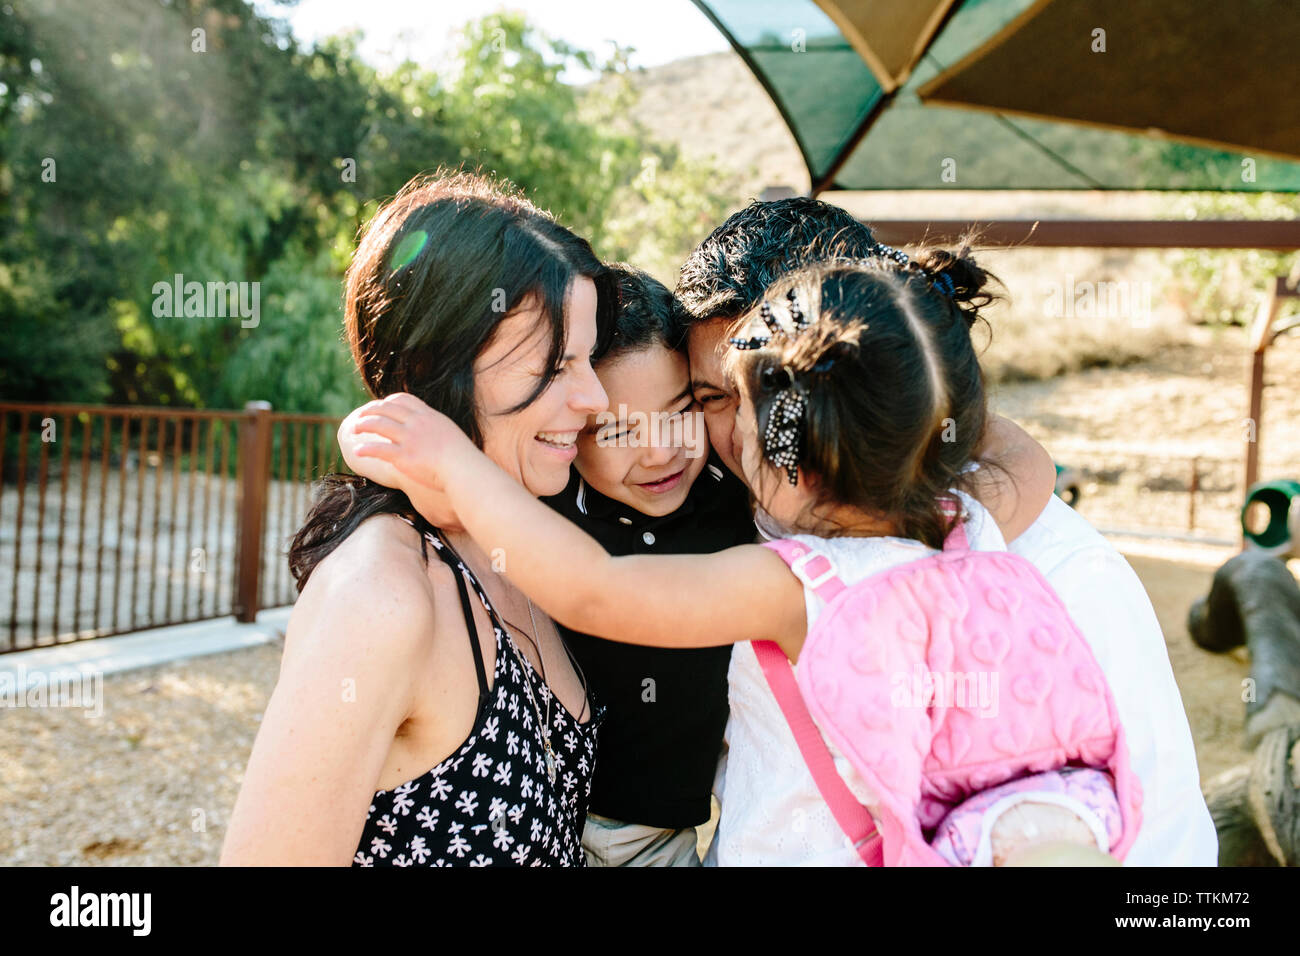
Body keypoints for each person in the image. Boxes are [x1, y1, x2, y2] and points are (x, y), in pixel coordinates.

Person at [337, 251, 1135, 865]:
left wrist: (452, 462)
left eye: (726, 418)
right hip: (1059, 812)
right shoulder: (967, 528)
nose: (715, 443)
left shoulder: (794, 581)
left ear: (800, 464)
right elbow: (1016, 461)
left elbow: (597, 589)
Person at [674, 198, 1217, 866]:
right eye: (712, 400)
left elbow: (1162, 842)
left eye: (772, 395)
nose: (740, 433)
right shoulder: (732, 528)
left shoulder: (1059, 577)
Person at [220, 171, 610, 867]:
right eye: (555, 365)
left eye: (588, 358)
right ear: (438, 364)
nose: (596, 396)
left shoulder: (524, 538)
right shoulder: (381, 598)